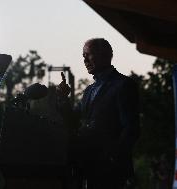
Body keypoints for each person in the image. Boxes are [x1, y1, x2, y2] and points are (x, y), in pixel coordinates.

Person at [56, 38, 140, 189]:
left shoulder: (123, 85)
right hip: (86, 167)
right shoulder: (89, 90)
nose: (85, 59)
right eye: (83, 55)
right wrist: (63, 99)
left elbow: (131, 129)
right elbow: (73, 121)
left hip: (111, 173)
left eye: (88, 54)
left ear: (104, 55)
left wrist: (113, 158)